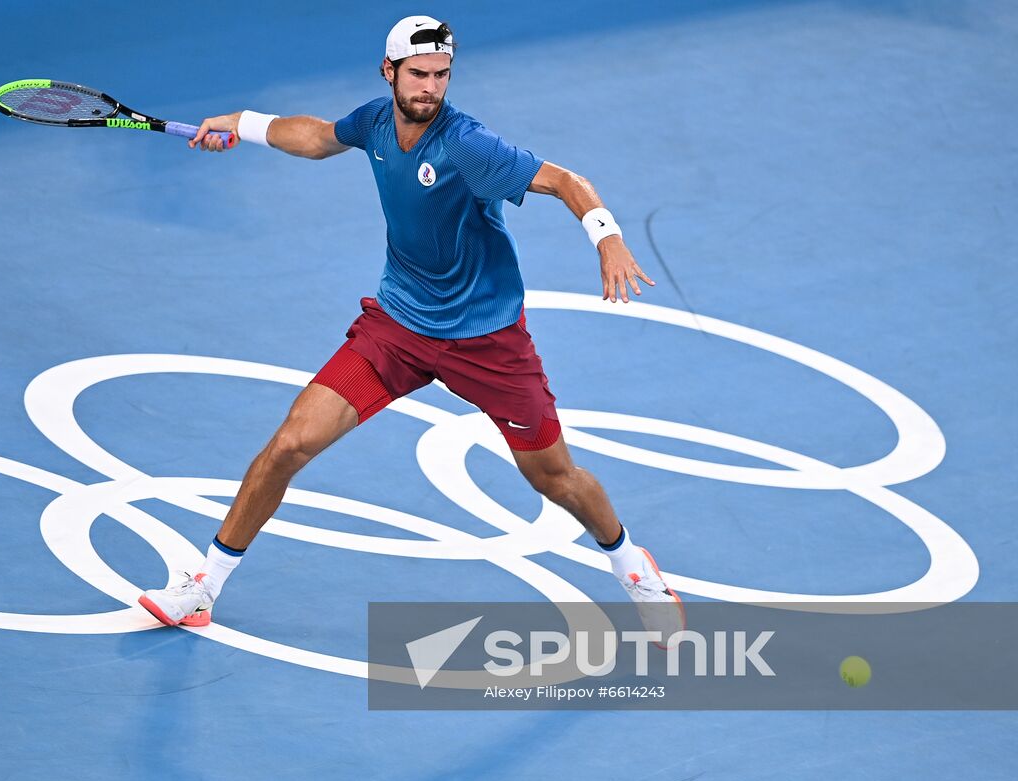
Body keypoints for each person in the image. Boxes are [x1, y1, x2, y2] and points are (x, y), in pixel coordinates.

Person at [139, 15, 684, 643]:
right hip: (399, 325)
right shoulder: (373, 121)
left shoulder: (467, 144)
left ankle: (632, 566)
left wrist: (607, 238)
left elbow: (563, 180)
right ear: (390, 71)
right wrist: (245, 122)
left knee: (552, 477)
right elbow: (317, 137)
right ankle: (202, 586)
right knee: (288, 444)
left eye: (442, 75)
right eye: (419, 74)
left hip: (486, 339)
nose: (430, 87)